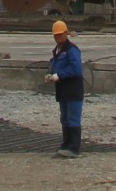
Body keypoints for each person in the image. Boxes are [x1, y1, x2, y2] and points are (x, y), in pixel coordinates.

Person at [46, 18, 86, 155]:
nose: (58, 37)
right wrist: (51, 74)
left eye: (60, 34)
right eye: (55, 35)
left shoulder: (72, 50)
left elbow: (76, 69)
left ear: (65, 33)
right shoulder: (57, 51)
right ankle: (66, 144)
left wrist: (60, 76)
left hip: (73, 89)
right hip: (62, 89)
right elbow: (56, 66)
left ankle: (74, 148)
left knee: (73, 117)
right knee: (64, 118)